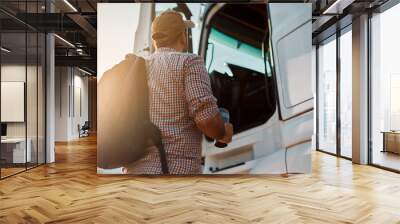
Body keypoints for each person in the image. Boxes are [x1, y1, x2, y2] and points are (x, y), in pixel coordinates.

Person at [128, 10, 233, 174]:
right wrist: (223, 132)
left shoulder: (138, 68)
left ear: (155, 40)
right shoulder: (189, 62)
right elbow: (206, 120)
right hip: (175, 171)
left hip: (135, 172)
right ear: (183, 36)